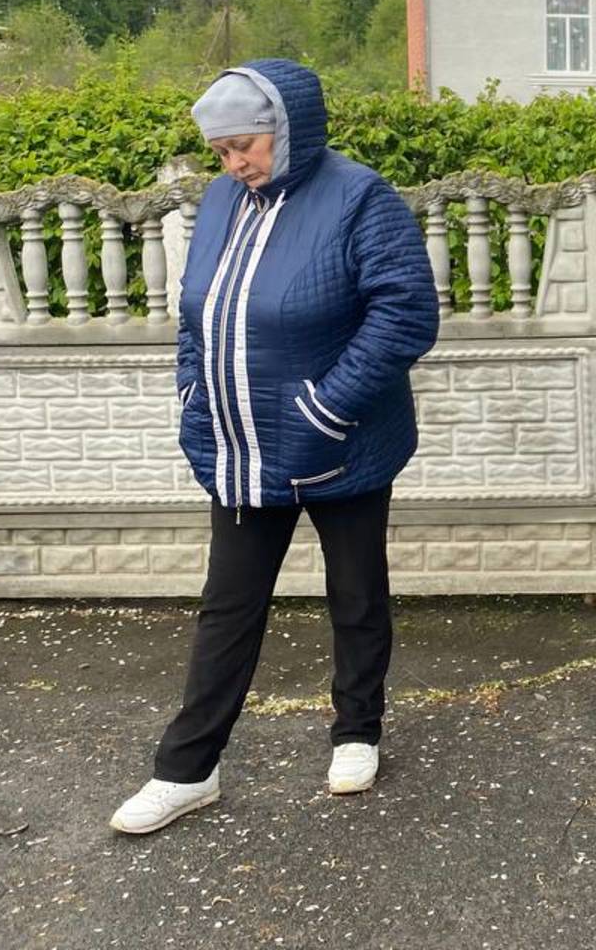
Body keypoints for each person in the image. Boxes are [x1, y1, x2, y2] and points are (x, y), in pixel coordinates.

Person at [111, 58, 439, 834]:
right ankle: (186, 771)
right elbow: (194, 310)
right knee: (228, 608)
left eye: (245, 146)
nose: (234, 164)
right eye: (222, 152)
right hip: (240, 445)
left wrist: (327, 407)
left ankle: (357, 731)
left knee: (356, 594)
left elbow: (406, 316)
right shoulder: (224, 200)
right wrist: (192, 389)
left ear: (290, 127)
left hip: (341, 443)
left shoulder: (361, 198)